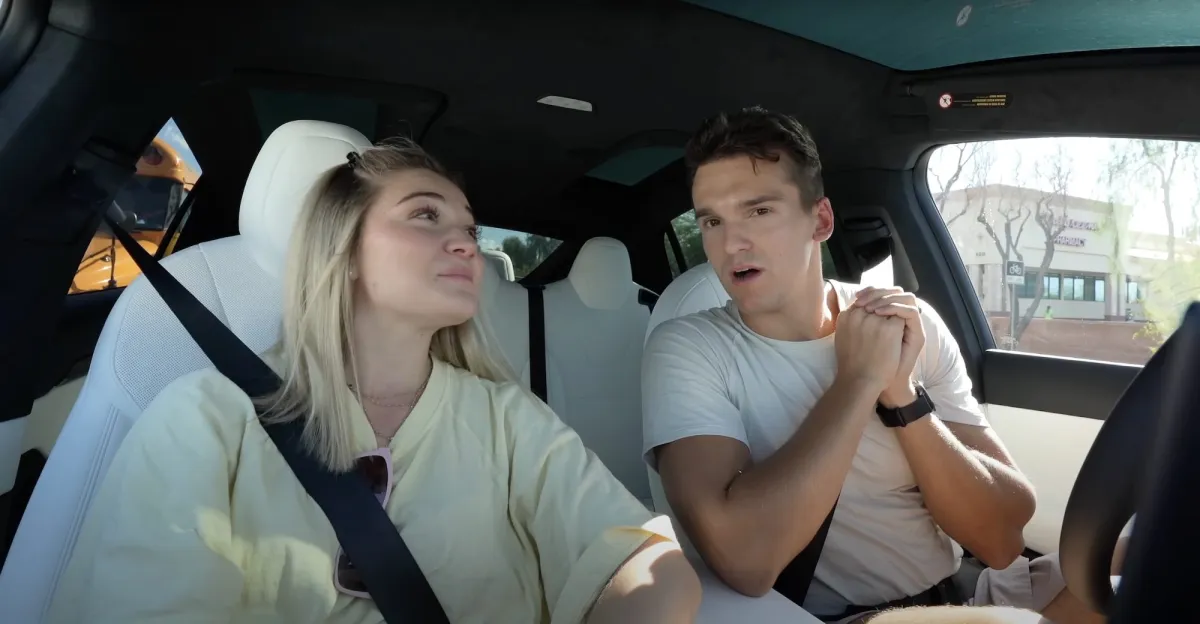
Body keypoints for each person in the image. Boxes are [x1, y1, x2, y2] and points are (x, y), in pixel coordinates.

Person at [49, 138, 701, 623]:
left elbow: (642, 561)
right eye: (426, 216)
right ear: (345, 249)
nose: (466, 243)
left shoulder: (509, 418)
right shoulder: (206, 417)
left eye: (470, 229)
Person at [642, 107, 1104, 624]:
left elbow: (1002, 540)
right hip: (848, 617)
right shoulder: (690, 349)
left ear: (820, 221)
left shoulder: (904, 321)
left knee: (1147, 562)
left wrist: (903, 396)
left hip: (967, 591)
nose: (731, 243)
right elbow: (744, 561)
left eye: (759, 211)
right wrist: (858, 380)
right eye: (712, 221)